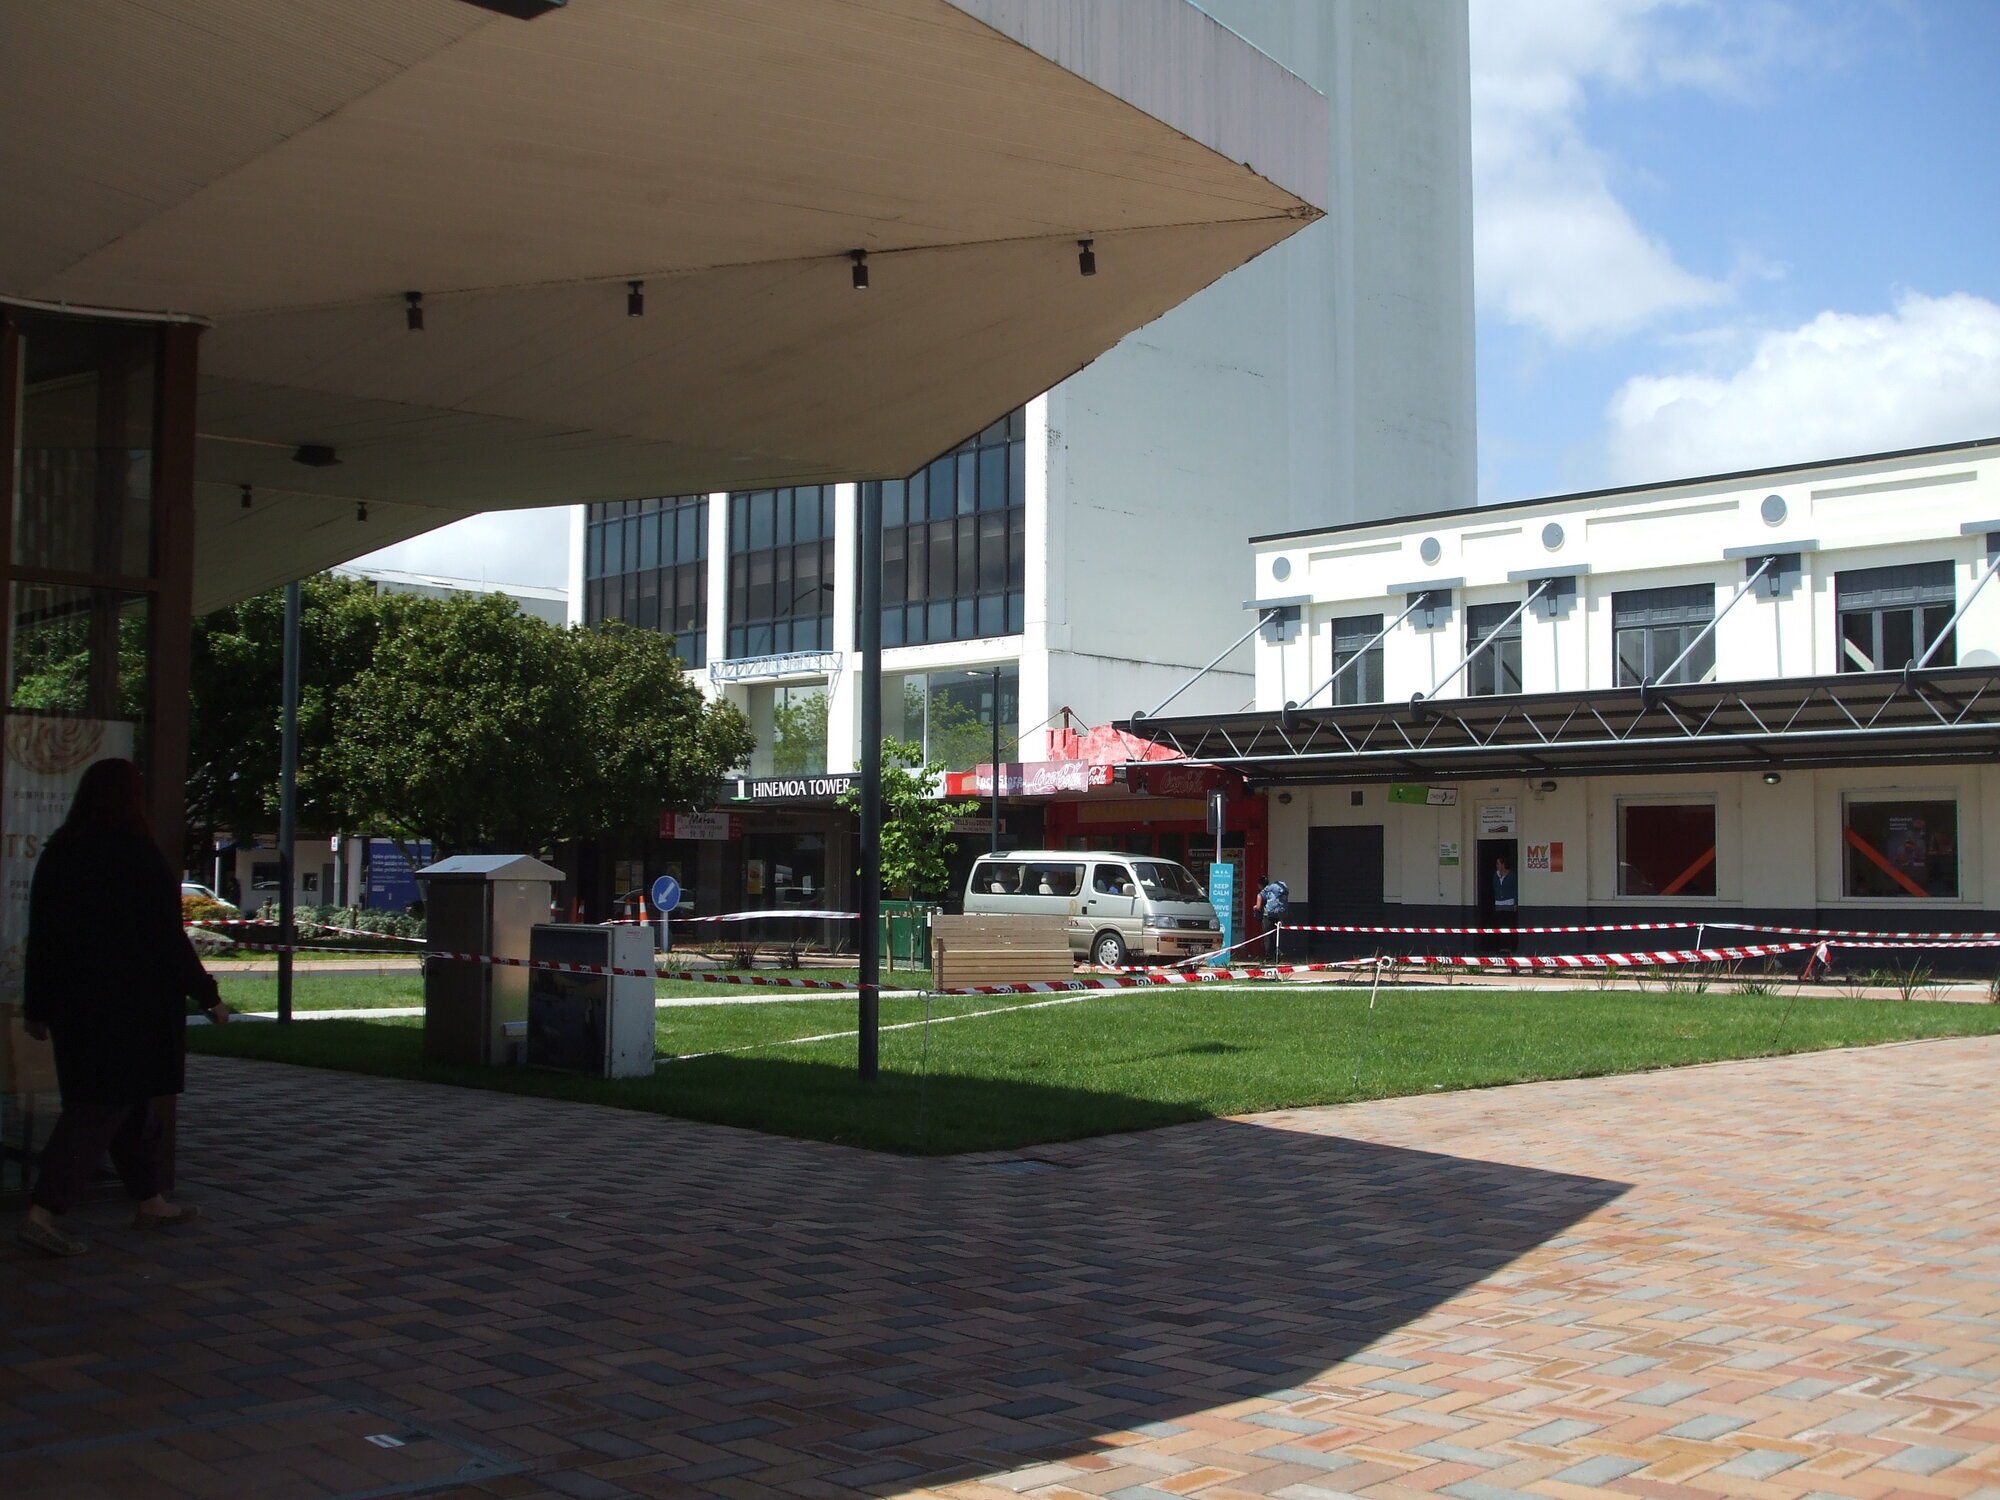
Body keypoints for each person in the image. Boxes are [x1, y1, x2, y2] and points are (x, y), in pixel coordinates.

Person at [17, 759, 230, 1259]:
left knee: (127, 1107)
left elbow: (43, 937)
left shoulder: (60, 853)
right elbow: (165, 938)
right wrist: (208, 995)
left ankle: (150, 1198)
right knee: (98, 1112)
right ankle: (43, 1213)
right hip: (129, 1009)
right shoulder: (136, 856)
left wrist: (39, 1005)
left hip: (77, 1009)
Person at [1254, 875, 1289, 958]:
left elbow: (1258, 906)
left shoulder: (1264, 892)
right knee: (1275, 936)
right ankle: (1277, 954)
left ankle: (1269, 956)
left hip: (1268, 916)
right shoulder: (1273, 891)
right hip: (1278, 916)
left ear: (1259, 884)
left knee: (1267, 936)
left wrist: (1255, 907)